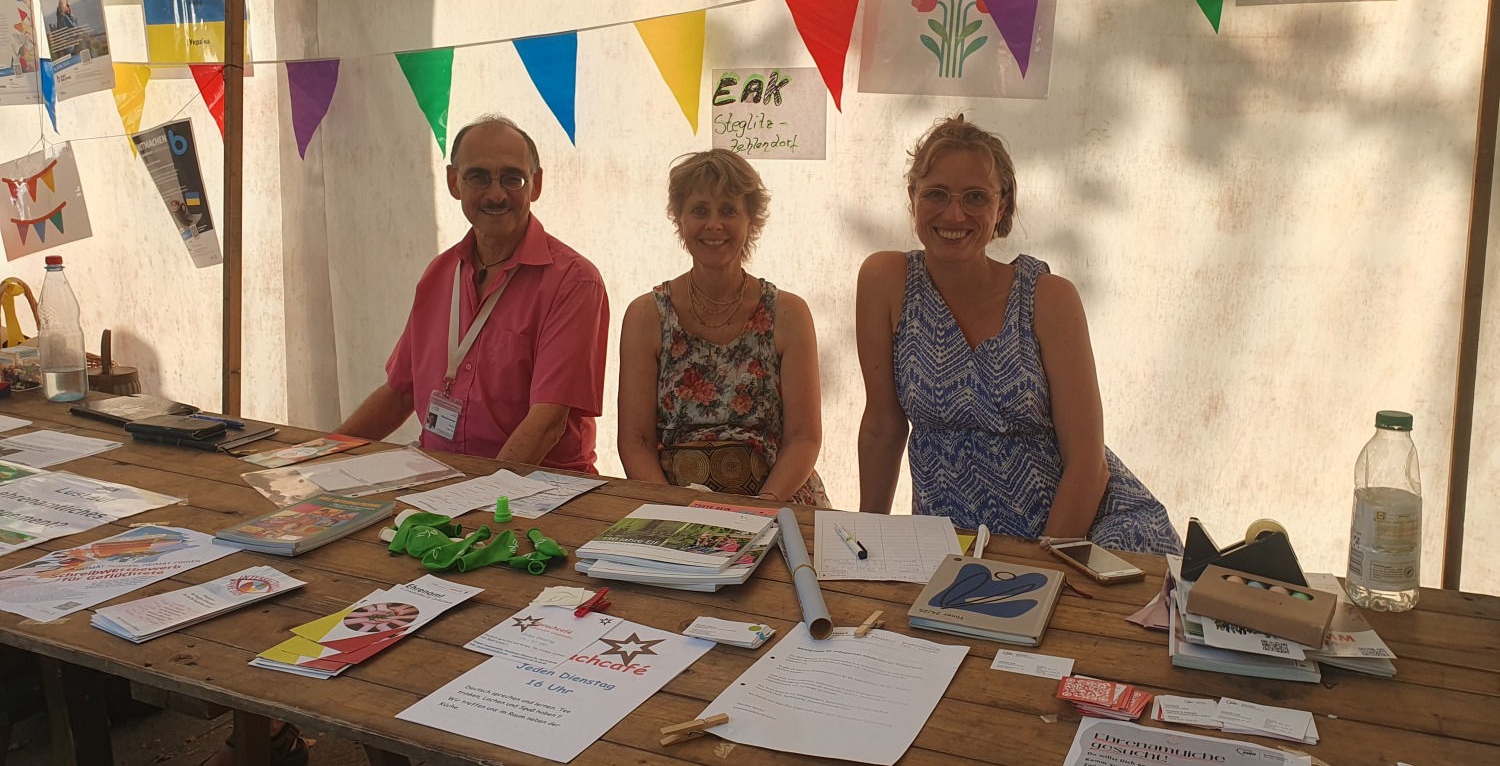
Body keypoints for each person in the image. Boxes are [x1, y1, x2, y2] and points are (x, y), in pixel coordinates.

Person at [855, 114, 1180, 554]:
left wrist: (1037, 569)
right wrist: (863, 550)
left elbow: (1089, 463)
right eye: (936, 194)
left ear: (1001, 207)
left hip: (1088, 536)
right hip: (956, 546)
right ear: (912, 199)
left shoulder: (1049, 298)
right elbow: (881, 428)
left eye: (975, 197)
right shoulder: (886, 279)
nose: (954, 214)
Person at [337, 114, 609, 472]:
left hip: (538, 489)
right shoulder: (439, 273)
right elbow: (400, 392)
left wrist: (480, 496)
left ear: (536, 185)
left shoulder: (574, 282)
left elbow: (548, 421)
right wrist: (318, 454)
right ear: (454, 182)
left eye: (512, 178)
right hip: (440, 478)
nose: (496, 194)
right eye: (479, 177)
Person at [617, 149, 829, 505]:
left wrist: (764, 506)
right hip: (676, 503)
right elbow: (634, 442)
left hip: (777, 500)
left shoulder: (788, 314)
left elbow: (804, 438)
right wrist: (675, 511)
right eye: (700, 210)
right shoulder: (646, 316)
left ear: (751, 221)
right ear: (679, 219)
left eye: (728, 210)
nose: (714, 224)